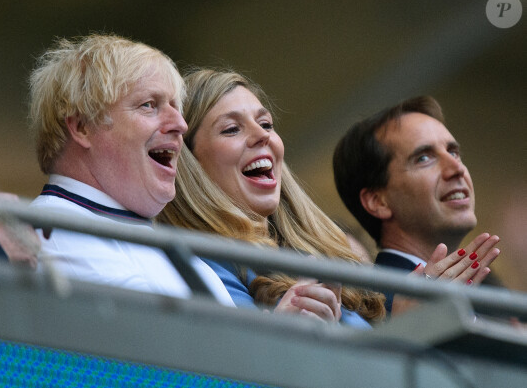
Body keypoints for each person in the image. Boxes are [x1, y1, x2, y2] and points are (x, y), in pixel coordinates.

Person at [158, 69, 386, 327]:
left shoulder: (317, 254)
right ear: (191, 165)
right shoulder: (199, 269)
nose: (262, 135)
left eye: (266, 124)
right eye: (232, 129)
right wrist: (285, 331)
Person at [28, 34, 232, 305]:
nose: (180, 124)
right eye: (149, 105)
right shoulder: (50, 231)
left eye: (175, 106)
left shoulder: (168, 247)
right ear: (82, 127)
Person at [333, 96, 500, 315]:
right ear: (378, 202)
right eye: (423, 158)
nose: (457, 168)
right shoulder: (373, 307)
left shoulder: (489, 303)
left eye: (453, 152)